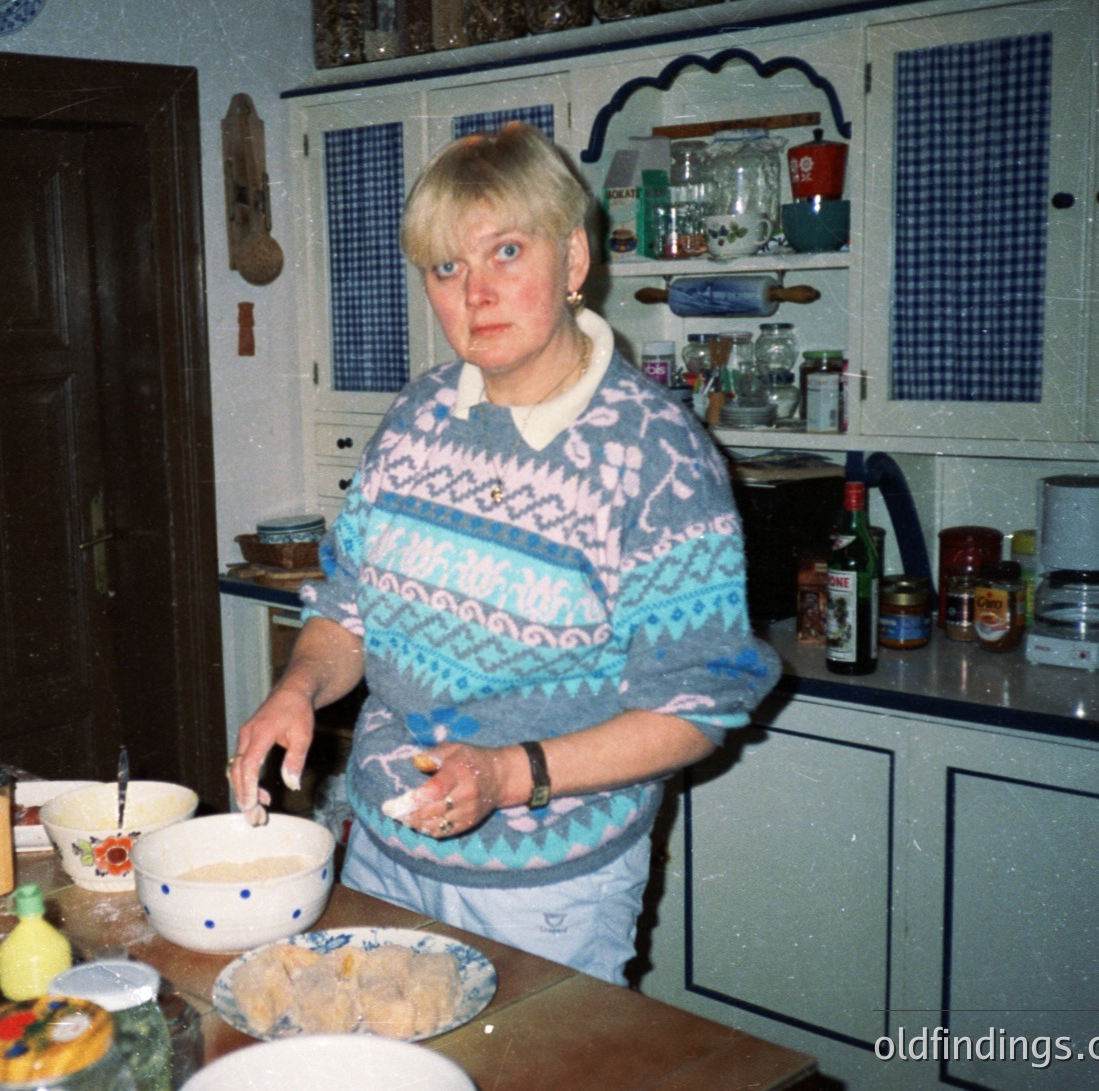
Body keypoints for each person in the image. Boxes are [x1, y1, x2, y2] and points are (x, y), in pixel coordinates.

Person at [229, 122, 780, 985]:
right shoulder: (415, 418)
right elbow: (348, 608)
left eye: (506, 252)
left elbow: (695, 708)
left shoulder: (657, 455)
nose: (474, 293)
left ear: (571, 261)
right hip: (383, 851)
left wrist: (509, 775)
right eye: (447, 268)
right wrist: (295, 690)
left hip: (546, 887)